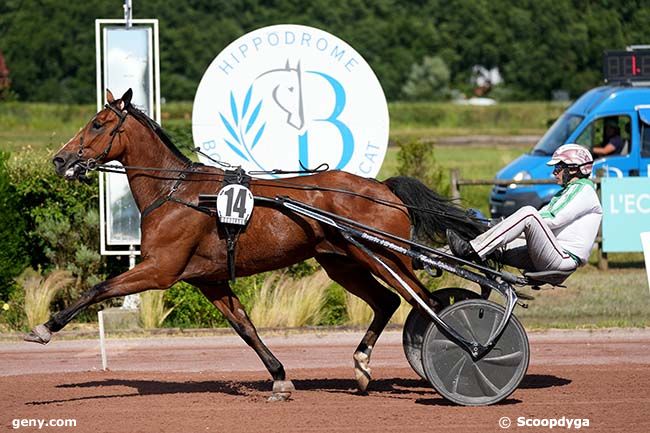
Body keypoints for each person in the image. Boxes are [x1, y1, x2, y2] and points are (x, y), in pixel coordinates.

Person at [447, 144, 602, 274]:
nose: (554, 171)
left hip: (562, 258)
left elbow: (553, 220)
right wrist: (494, 226)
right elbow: (541, 220)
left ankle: (471, 250)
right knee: (497, 245)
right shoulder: (567, 191)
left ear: (574, 169)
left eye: (558, 167)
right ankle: (443, 258)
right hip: (552, 251)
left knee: (528, 213)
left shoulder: (583, 190)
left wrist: (498, 224)